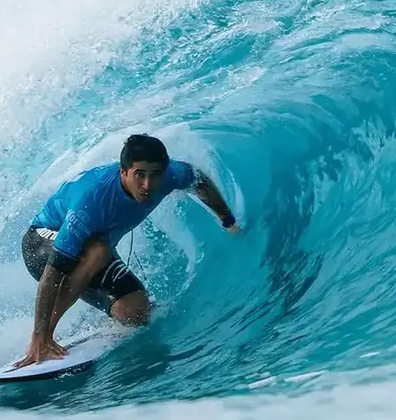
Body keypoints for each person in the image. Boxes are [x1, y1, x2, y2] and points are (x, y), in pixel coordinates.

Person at [14, 133, 239, 368]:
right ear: (123, 172)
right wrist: (41, 335)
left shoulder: (172, 174)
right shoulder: (91, 199)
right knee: (97, 251)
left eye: (155, 175)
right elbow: (53, 274)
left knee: (137, 313)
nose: (147, 185)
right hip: (42, 244)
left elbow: (199, 181)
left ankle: (104, 320)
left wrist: (228, 220)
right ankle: (42, 341)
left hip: (93, 249)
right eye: (139, 175)